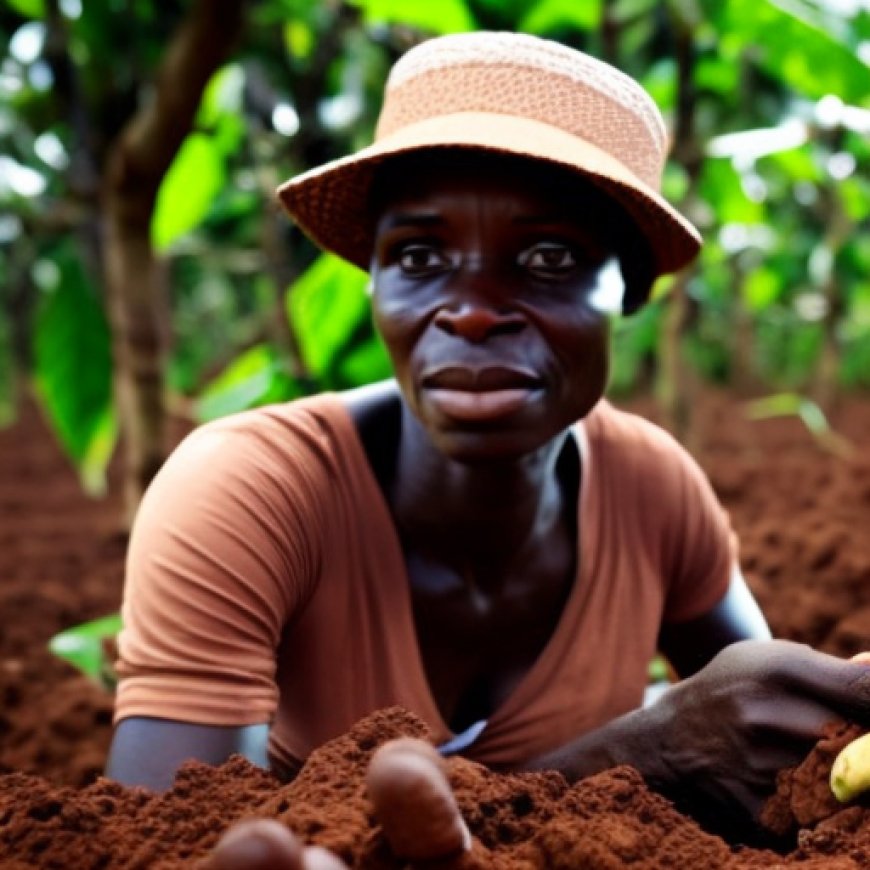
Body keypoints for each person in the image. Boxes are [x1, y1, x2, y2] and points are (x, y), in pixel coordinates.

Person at [106, 30, 870, 866]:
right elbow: (163, 840)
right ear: (375, 280)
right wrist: (638, 753)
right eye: (420, 255)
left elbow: (778, 761)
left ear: (631, 287)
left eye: (548, 257)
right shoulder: (251, 491)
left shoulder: (652, 490)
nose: (470, 309)